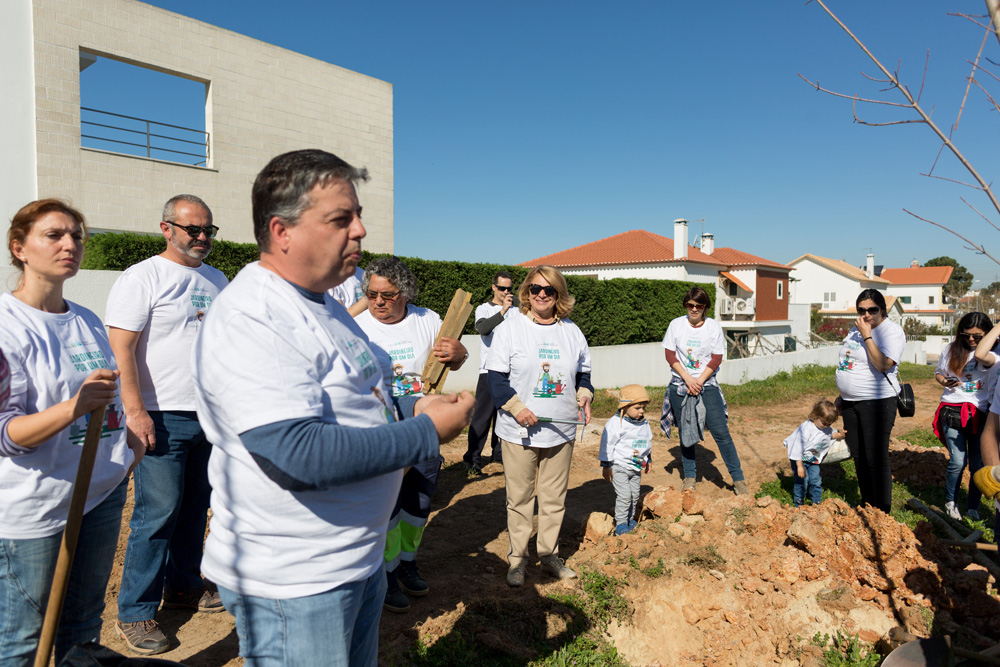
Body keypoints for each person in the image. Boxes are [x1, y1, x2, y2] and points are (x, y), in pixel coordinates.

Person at [190, 149, 474, 667]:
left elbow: (370, 395)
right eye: (341, 219)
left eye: (358, 215)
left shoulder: (324, 307)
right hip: (295, 580)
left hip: (353, 561)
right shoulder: (254, 315)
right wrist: (426, 431)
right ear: (283, 231)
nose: (361, 230)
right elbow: (298, 453)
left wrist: (415, 403)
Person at [0, 199, 142, 666]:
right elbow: (5, 435)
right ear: (19, 248)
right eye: (54, 235)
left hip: (99, 496)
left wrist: (128, 444)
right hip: (36, 510)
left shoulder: (84, 319)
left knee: (82, 629)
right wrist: (72, 408)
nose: (71, 244)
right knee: (24, 638)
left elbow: (109, 401)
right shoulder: (7, 327)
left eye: (77, 236)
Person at [108, 194, 230, 655]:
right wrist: (135, 411)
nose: (201, 238)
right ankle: (135, 612)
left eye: (208, 230)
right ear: (166, 228)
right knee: (156, 512)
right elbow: (122, 349)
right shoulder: (142, 277)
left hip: (207, 416)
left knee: (195, 507)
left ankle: (182, 587)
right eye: (192, 229)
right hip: (159, 414)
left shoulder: (217, 280)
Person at [354, 256, 467, 613]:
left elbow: (453, 360)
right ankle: (384, 574)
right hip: (379, 429)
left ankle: (407, 562)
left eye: (387, 295)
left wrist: (459, 354)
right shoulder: (354, 325)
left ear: (405, 293)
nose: (378, 302)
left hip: (424, 426)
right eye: (371, 294)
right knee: (385, 502)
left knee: (418, 500)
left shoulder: (428, 320)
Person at [485, 265, 592, 587]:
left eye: (549, 290)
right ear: (526, 292)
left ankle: (548, 555)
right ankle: (517, 559)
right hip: (519, 431)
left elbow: (583, 373)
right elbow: (496, 379)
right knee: (519, 498)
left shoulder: (572, 331)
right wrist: (517, 409)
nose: (541, 295)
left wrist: (585, 392)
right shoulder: (510, 328)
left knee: (553, 497)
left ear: (559, 294)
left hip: (561, 430)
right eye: (535, 289)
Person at [662, 286, 748, 495]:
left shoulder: (713, 327)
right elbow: (670, 355)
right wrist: (687, 379)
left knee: (721, 432)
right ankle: (690, 477)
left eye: (698, 306)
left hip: (706, 384)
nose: (694, 309)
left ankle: (738, 480)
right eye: (690, 305)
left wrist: (698, 380)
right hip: (681, 384)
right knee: (686, 433)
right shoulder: (676, 325)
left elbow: (717, 357)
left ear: (705, 307)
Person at [835, 288, 906, 514]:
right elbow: (850, 362)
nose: (866, 315)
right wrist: (843, 395)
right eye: (861, 310)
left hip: (877, 401)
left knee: (876, 457)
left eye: (872, 310)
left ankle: (882, 511)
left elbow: (883, 364)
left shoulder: (891, 332)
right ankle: (867, 505)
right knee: (859, 456)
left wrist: (867, 335)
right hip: (851, 403)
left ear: (882, 309)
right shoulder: (854, 331)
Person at [933, 312, 996, 522]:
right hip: (952, 409)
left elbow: (982, 357)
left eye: (977, 336)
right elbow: (938, 372)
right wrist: (944, 381)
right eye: (966, 335)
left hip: (981, 412)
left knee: (977, 463)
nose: (971, 340)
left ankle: (973, 507)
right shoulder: (952, 349)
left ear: (987, 334)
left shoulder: (992, 353)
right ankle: (950, 502)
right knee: (958, 461)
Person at [464, 271, 516, 476]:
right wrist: (502, 311)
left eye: (509, 289)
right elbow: (483, 329)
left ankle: (499, 453)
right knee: (482, 417)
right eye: (502, 288)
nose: (506, 292)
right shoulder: (483, 308)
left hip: (511, 371)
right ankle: (472, 459)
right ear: (493, 287)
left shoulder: (517, 310)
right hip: (489, 369)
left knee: (506, 414)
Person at [599, 384, 652, 536]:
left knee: (635, 495)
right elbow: (607, 444)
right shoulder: (616, 423)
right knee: (624, 495)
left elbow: (647, 441)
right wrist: (606, 465)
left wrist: (648, 459)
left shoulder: (644, 422)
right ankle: (621, 523)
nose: (641, 411)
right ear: (625, 407)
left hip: (636, 466)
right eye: (637, 408)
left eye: (643, 408)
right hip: (619, 466)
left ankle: (630, 519)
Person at [783, 400, 845, 507]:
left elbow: (830, 434)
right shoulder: (806, 429)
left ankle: (816, 502)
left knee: (815, 480)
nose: (826, 426)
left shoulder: (824, 427)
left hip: (813, 459)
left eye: (829, 424)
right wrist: (799, 466)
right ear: (815, 416)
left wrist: (840, 435)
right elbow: (797, 448)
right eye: (824, 423)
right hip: (799, 459)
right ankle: (799, 503)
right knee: (802, 481)